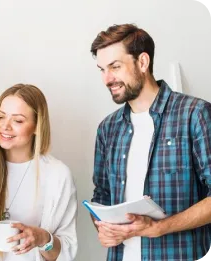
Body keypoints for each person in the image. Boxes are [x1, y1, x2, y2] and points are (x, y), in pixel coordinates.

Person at [90, 23, 211, 261]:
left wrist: (160, 227)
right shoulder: (108, 129)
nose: (107, 79)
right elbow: (102, 196)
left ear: (143, 62)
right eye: (102, 69)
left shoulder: (195, 115)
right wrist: (103, 229)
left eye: (115, 67)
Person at [0, 84, 78, 261]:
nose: (5, 127)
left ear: (36, 126)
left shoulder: (57, 175)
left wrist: (41, 237)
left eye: (18, 120)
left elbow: (67, 251)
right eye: (1, 117)